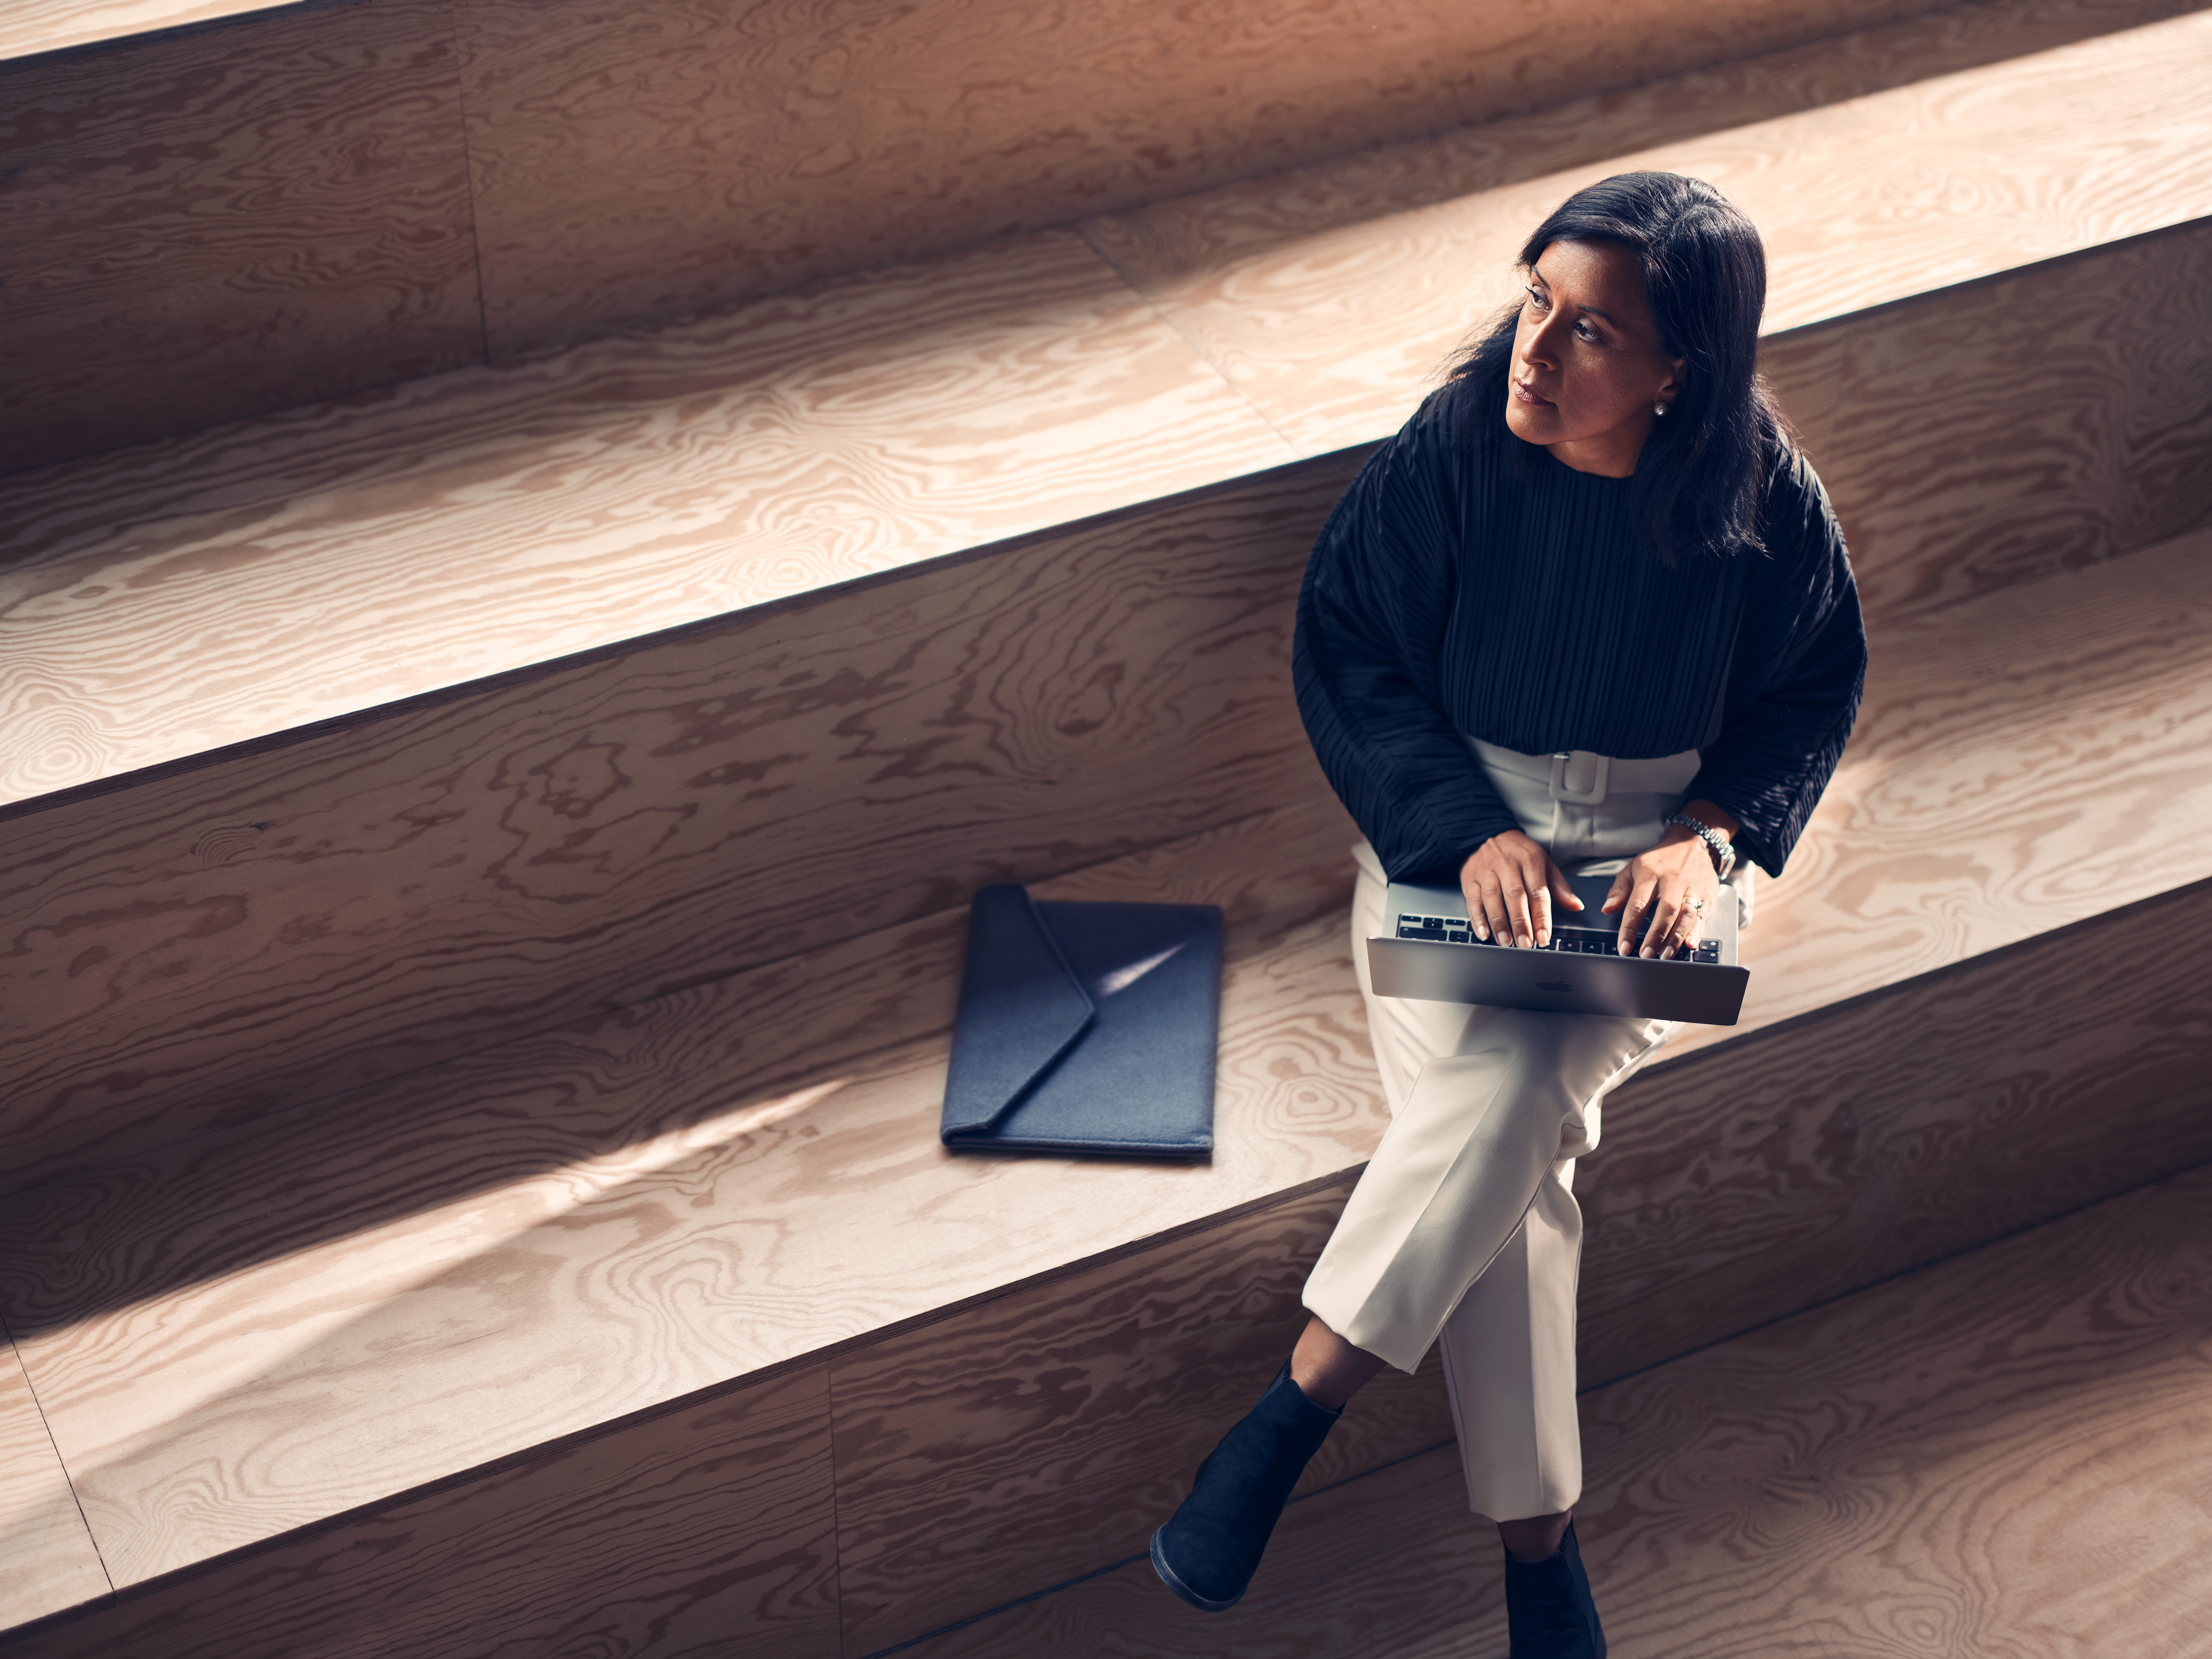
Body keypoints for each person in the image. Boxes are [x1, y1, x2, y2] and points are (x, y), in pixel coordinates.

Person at [1148, 172, 1867, 1656]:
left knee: (1522, 1084)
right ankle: (1537, 1552)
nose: (1536, 346)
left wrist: (1709, 839)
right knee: (1523, 1142)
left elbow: (1813, 689)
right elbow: (1350, 649)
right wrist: (1463, 828)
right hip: (1451, 835)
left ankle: (1294, 1413)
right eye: (1536, 298)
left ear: (1679, 372)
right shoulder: (1458, 444)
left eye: (1591, 329)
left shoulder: (1764, 498)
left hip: (1652, 866)